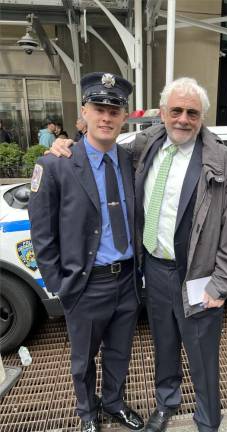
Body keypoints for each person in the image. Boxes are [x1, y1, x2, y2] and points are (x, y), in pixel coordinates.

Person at [49, 77, 227, 432]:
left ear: (202, 116)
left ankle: (207, 421)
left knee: (202, 356)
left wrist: (222, 284)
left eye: (192, 112)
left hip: (198, 276)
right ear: (162, 113)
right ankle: (166, 404)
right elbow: (100, 146)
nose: (183, 119)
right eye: (176, 111)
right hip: (153, 270)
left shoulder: (223, 161)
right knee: (165, 346)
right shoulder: (146, 145)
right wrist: (65, 144)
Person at [28, 72, 144, 432]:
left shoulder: (129, 160)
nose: (106, 117)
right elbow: (42, 232)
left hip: (126, 279)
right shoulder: (55, 164)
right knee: (83, 360)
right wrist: (58, 284)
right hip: (84, 284)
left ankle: (113, 403)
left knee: (120, 353)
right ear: (84, 113)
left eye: (114, 110)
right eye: (99, 108)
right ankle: (87, 413)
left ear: (124, 117)